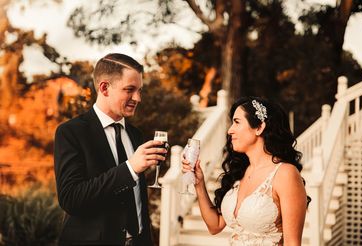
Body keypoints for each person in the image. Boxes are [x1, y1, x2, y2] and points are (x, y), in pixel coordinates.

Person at [54, 53, 166, 246]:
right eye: (130, 90)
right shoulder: (71, 132)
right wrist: (129, 168)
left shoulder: (135, 135)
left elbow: (138, 201)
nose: (138, 98)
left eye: (140, 90)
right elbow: (71, 199)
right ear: (104, 88)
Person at [182, 96, 309, 245]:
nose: (230, 131)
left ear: (259, 127)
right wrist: (199, 184)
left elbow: (292, 243)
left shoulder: (285, 174)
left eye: (237, 122)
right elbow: (215, 226)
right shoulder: (240, 172)